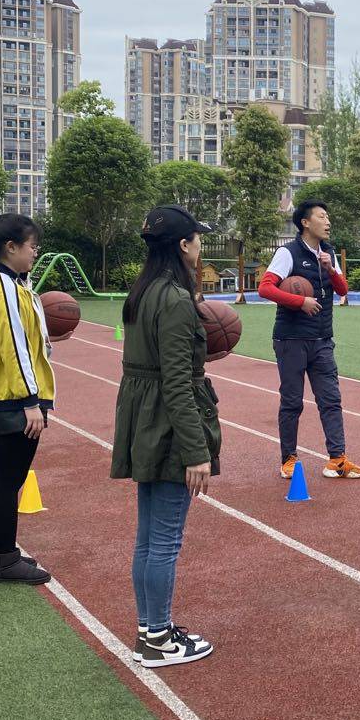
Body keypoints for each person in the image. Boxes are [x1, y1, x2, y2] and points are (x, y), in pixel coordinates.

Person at [111, 206, 220, 667]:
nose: (201, 247)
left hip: (144, 421)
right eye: (197, 239)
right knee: (165, 541)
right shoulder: (175, 299)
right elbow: (176, 384)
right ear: (182, 246)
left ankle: (151, 627)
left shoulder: (143, 292)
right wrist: (197, 453)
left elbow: (160, 368)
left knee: (147, 538)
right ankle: (157, 638)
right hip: (168, 427)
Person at [0, 211, 61, 584]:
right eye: (31, 246)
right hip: (12, 397)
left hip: (7, 393)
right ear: (11, 248)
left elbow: (26, 337)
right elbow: (13, 346)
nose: (35, 252)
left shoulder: (10, 283)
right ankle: (4, 558)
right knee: (8, 479)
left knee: (5, 477)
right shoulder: (3, 288)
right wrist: (29, 401)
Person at [258, 200, 360, 482]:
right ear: (306, 223)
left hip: (322, 339)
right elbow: (265, 287)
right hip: (292, 339)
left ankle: (337, 459)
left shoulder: (328, 253)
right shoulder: (287, 253)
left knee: (331, 400)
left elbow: (343, 291)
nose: (328, 221)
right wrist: (300, 301)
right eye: (322, 216)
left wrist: (331, 269)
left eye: (328, 216)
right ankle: (289, 460)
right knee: (292, 402)